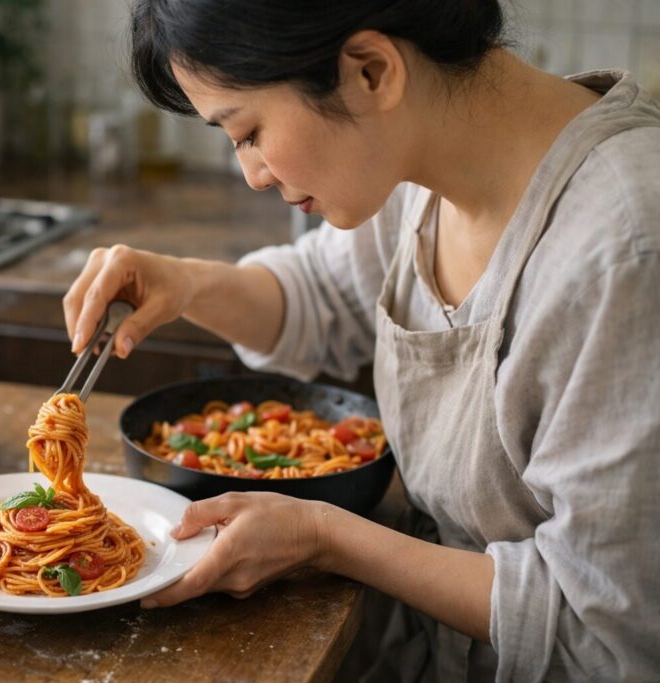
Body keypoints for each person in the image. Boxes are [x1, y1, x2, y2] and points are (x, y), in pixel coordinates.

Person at [63, 0, 660, 680]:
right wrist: (188, 284)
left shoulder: (627, 244)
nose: (252, 173)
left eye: (248, 130)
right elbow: (322, 295)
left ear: (371, 72)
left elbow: (607, 629)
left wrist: (323, 536)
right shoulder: (416, 169)